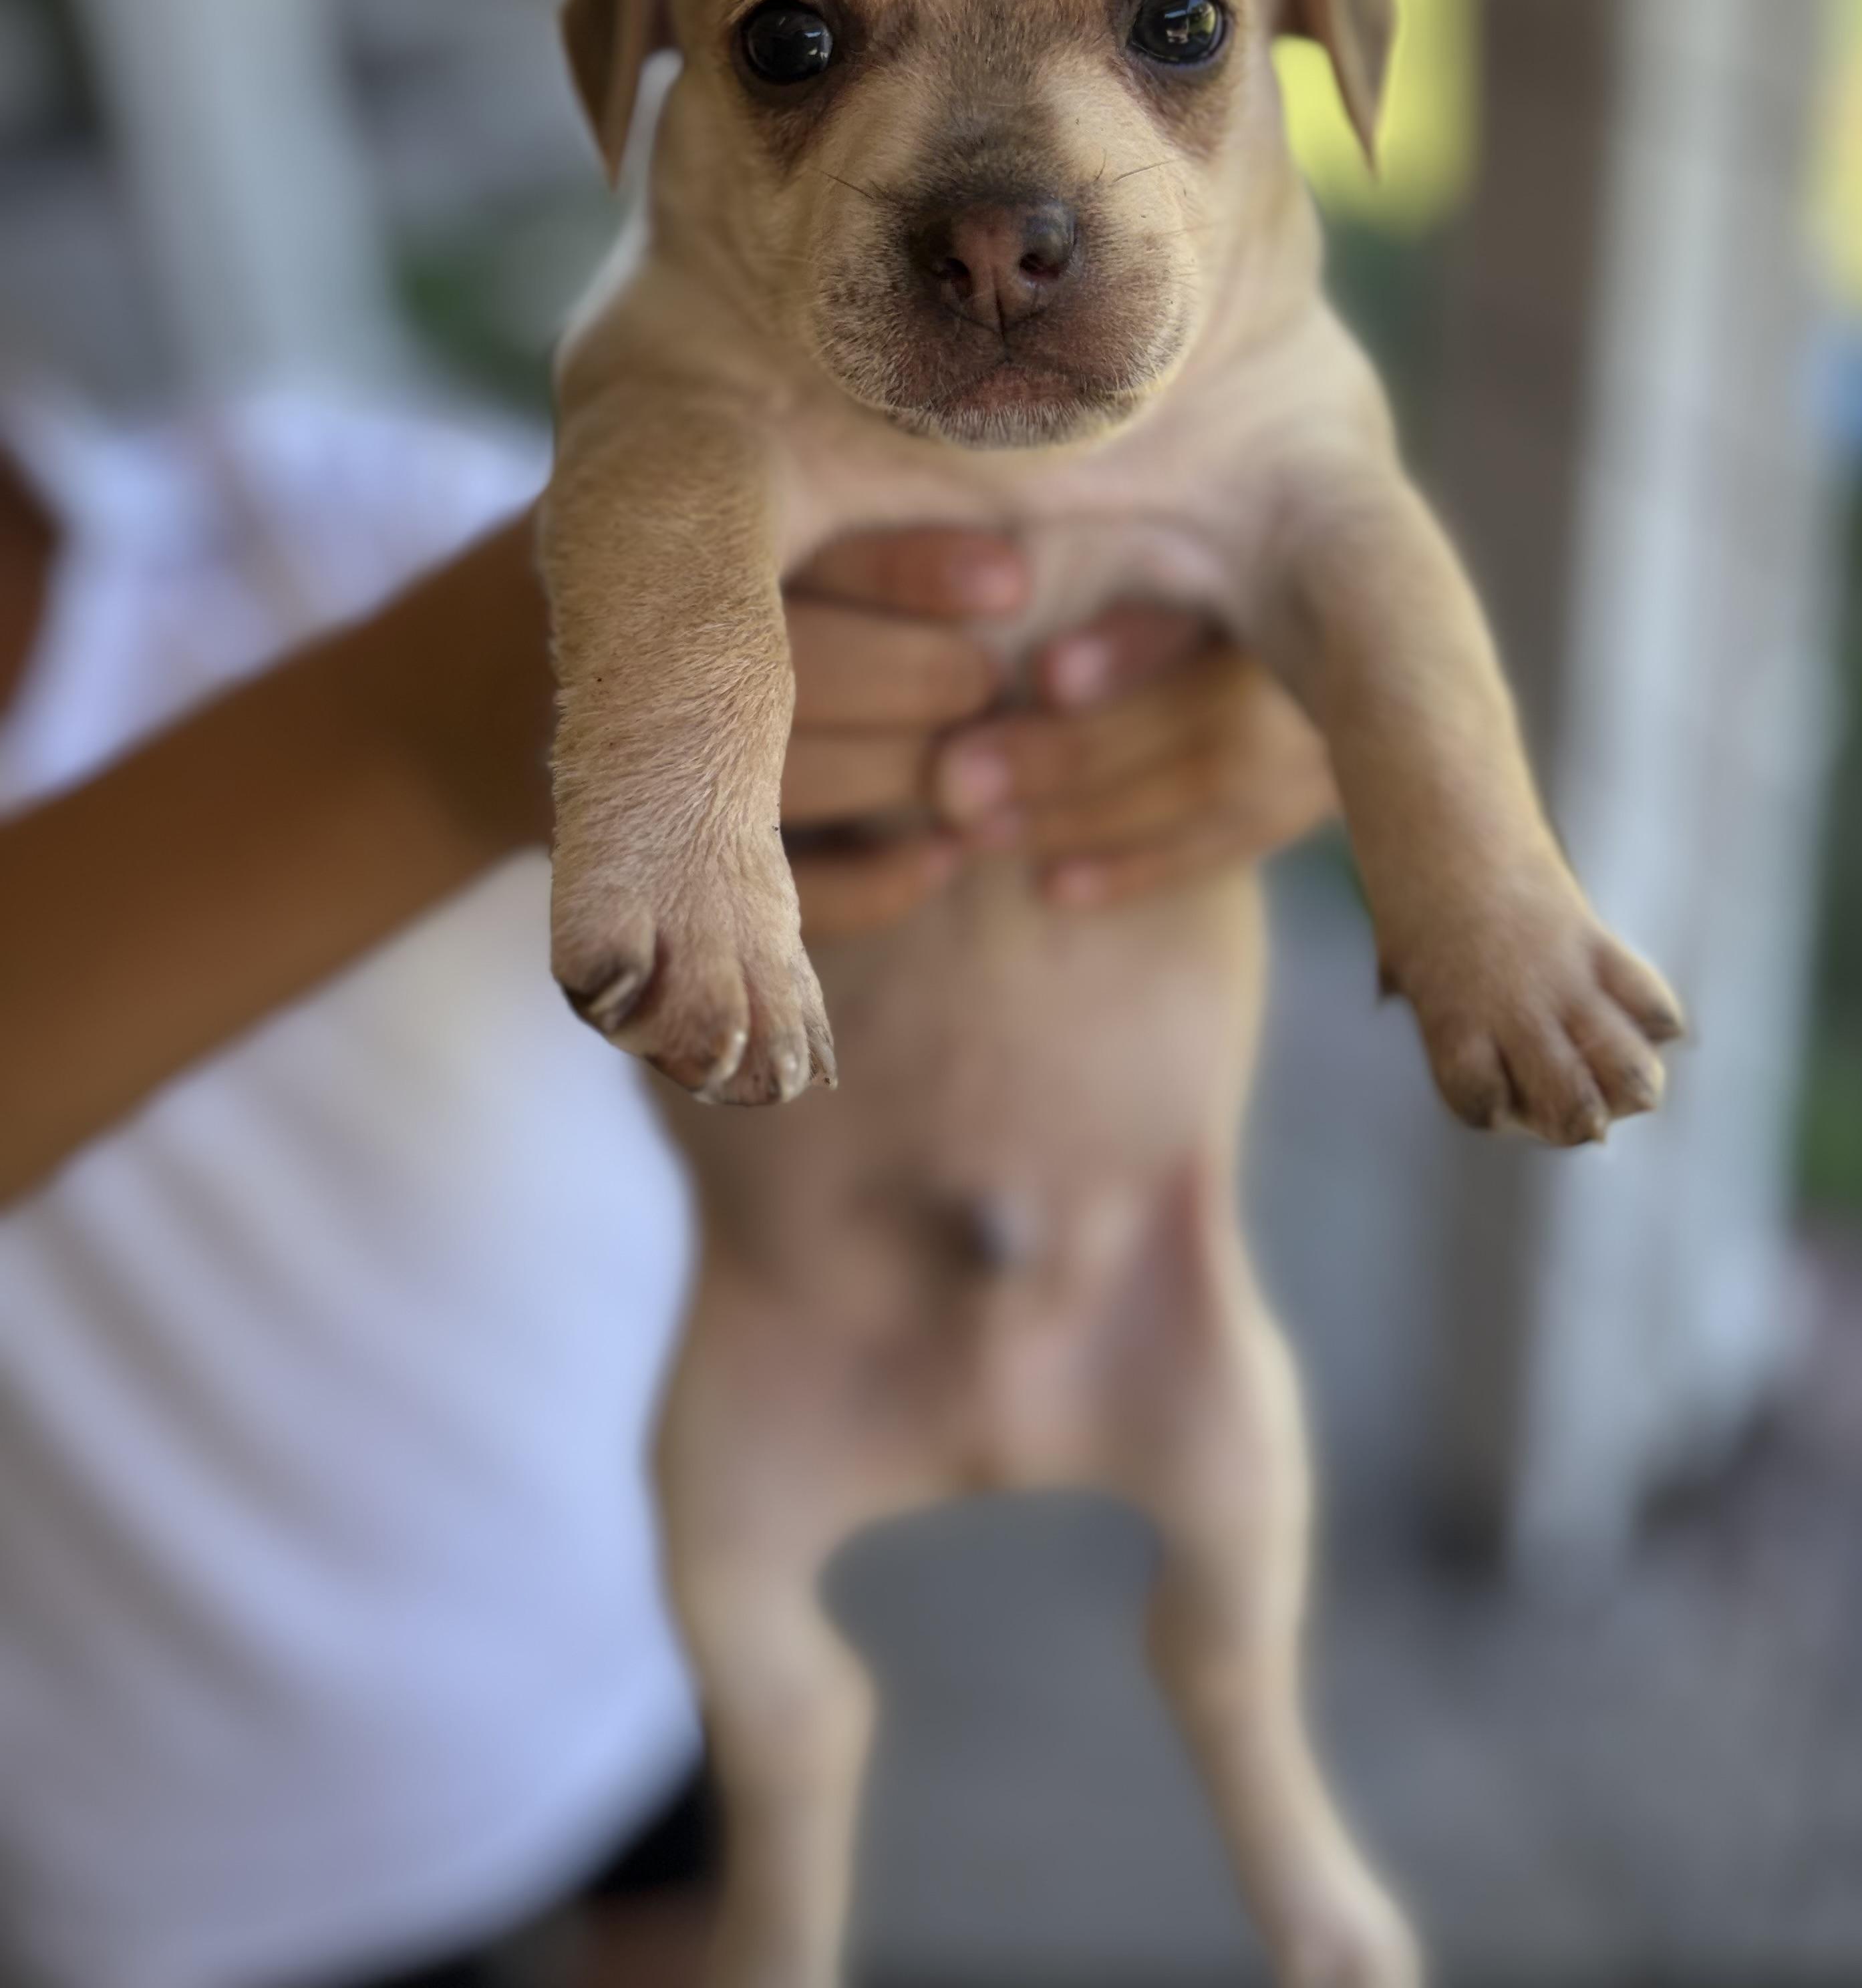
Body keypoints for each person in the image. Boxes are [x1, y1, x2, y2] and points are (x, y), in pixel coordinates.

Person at [0, 378, 1332, 1988]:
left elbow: (855, 844)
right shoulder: (409, 618)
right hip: (203, 1876)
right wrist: (430, 740)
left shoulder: (311, 511)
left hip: (629, 1630)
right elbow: (515, 693)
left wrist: (1144, 705)